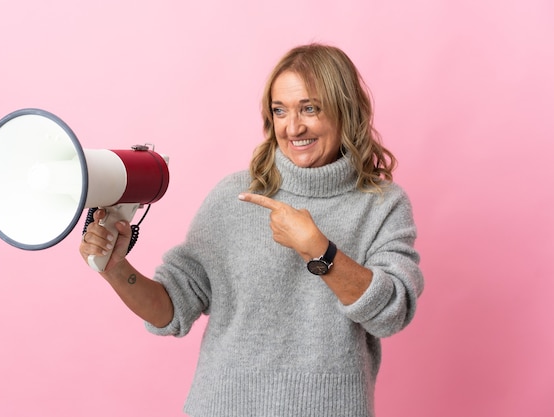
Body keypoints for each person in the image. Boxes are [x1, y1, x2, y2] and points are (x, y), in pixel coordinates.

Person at [80, 43, 424, 417]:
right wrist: (116, 269)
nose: (293, 128)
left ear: (345, 110)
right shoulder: (234, 196)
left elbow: (391, 313)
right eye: (280, 111)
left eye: (310, 108)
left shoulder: (383, 204)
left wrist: (318, 250)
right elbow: (171, 309)